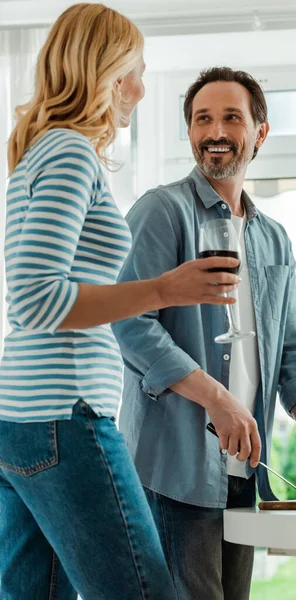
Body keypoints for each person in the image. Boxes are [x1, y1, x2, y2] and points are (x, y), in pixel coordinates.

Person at [0, 7, 241, 600]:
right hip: (65, 411)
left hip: (24, 419)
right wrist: (166, 288)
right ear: (104, 72)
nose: (139, 87)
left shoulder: (38, 152)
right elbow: (34, 298)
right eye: (134, 70)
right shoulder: (68, 153)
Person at [112, 66, 296, 600]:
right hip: (174, 468)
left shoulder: (273, 238)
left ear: (260, 132)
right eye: (202, 119)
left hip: (244, 472)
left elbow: (292, 345)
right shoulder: (161, 211)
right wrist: (216, 399)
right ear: (189, 131)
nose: (214, 130)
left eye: (231, 117)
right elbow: (130, 323)